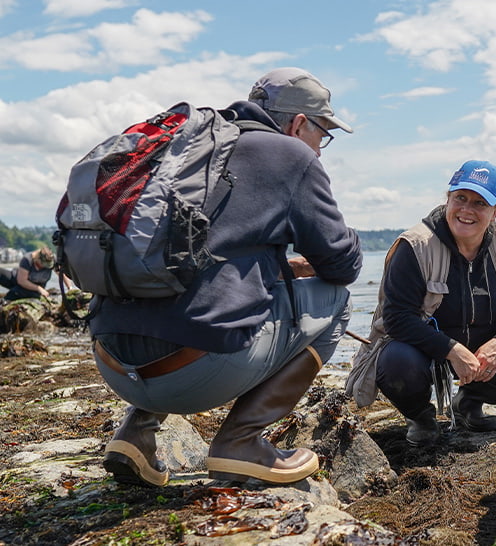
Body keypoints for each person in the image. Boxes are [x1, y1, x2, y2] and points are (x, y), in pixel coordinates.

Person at [89, 67, 362, 487]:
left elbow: (198, 260)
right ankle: (242, 440)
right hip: (190, 376)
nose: (320, 150)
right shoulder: (292, 157)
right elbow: (343, 266)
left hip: (112, 364)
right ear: (299, 123)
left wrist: (278, 266)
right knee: (337, 301)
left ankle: (136, 432)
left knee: (184, 300)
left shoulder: (192, 146)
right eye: (322, 134)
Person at [351, 160, 496, 446]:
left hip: (486, 346)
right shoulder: (415, 245)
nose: (467, 210)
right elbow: (396, 318)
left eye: (480, 203)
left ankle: (469, 402)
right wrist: (451, 349)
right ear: (448, 199)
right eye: (460, 198)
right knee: (397, 363)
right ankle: (421, 417)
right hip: (424, 351)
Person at [0, 247, 67, 301]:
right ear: (38, 259)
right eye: (43, 264)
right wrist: (39, 288)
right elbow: (21, 281)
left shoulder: (52, 259)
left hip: (32, 290)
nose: (45, 267)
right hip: (18, 280)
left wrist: (70, 288)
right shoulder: (27, 259)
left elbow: (61, 274)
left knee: (14, 292)